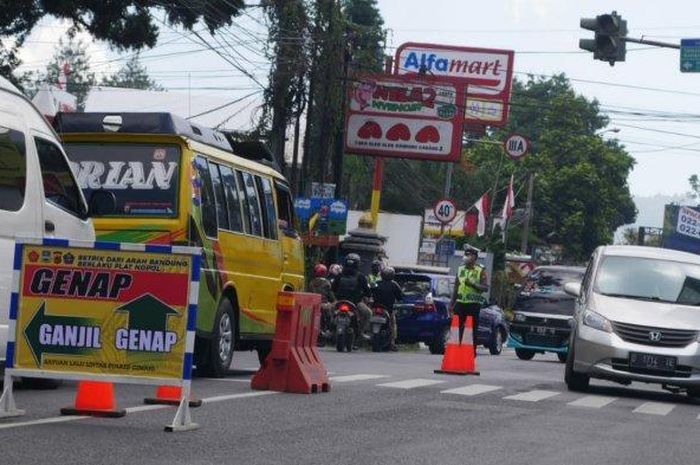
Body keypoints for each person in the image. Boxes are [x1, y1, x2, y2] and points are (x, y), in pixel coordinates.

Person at [449, 247, 489, 357]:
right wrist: (452, 303)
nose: (465, 257)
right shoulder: (461, 268)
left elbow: (485, 287)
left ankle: (471, 351)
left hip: (473, 304)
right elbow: (456, 286)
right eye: (465, 255)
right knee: (456, 327)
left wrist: (473, 284)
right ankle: (456, 349)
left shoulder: (481, 270)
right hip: (460, 303)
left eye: (469, 255)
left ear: (475, 257)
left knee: (472, 329)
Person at [332, 253, 372, 346]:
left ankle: (330, 330)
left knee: (329, 311)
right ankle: (361, 333)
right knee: (368, 313)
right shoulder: (361, 276)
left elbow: (333, 288)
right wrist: (367, 296)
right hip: (355, 303)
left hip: (340, 302)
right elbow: (367, 291)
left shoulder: (339, 275)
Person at [371, 266, 403, 351]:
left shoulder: (376, 283)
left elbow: (369, 292)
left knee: (369, 319)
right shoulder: (394, 284)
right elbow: (400, 297)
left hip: (375, 308)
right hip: (388, 309)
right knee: (393, 324)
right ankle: (392, 343)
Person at [308, 263, 335, 340]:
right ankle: (328, 329)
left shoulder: (312, 282)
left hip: (312, 303)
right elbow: (330, 295)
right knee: (330, 314)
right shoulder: (327, 283)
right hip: (323, 304)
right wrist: (333, 301)